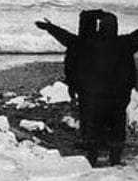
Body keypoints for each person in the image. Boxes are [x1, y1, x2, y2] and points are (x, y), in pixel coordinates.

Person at [46, 6, 138, 166]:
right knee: (117, 128)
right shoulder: (124, 43)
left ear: (100, 28)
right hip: (118, 97)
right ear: (115, 28)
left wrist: (49, 27)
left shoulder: (87, 43)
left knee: (94, 127)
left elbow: (67, 38)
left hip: (95, 97)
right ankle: (115, 160)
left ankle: (92, 159)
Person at [35, 10, 99, 147]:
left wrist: (49, 27)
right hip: (99, 84)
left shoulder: (76, 42)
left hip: (82, 84)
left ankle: (88, 140)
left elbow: (63, 35)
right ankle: (100, 140)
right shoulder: (103, 43)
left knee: (86, 112)